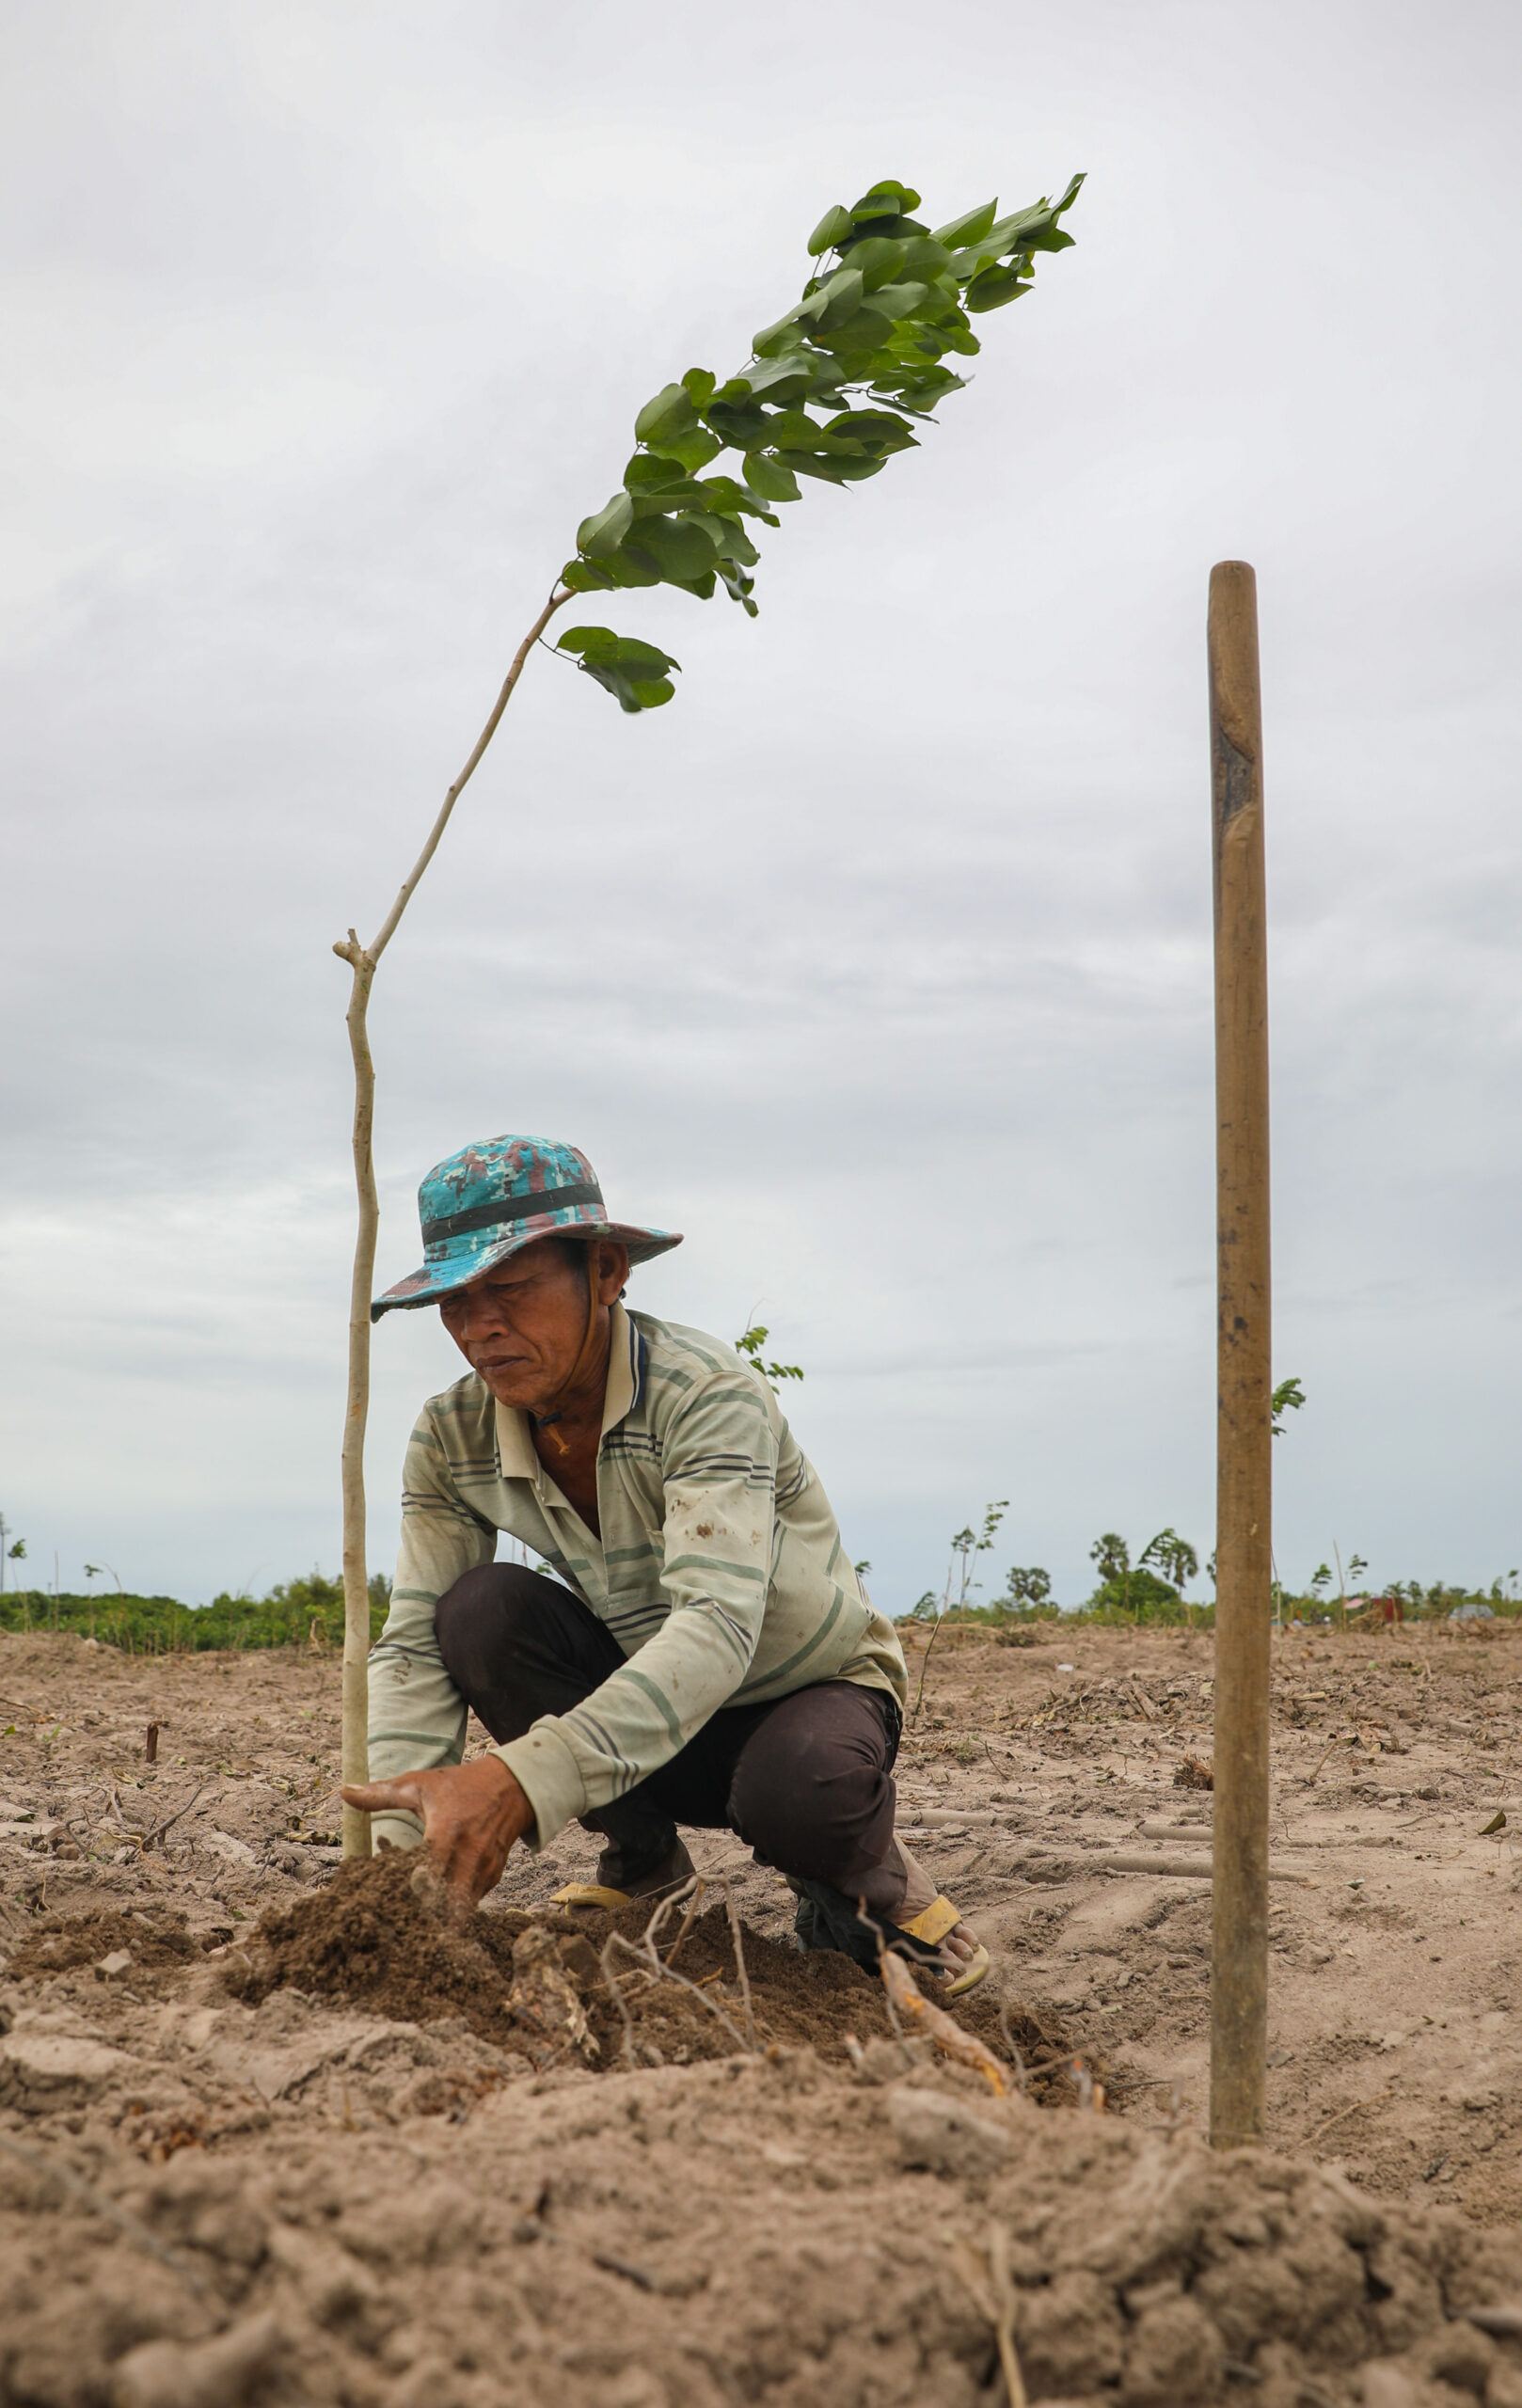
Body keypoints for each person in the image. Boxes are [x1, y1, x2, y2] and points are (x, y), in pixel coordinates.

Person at [341, 1133, 988, 1993]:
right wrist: (397, 1876)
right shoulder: (450, 1435)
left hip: (803, 1698)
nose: (479, 1326)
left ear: (606, 1273)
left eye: (510, 1289)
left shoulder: (703, 1392)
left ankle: (872, 1886)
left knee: (800, 1791)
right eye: (455, 1302)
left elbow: (716, 1628)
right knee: (478, 1610)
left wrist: (517, 1782)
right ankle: (644, 1861)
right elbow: (417, 1647)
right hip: (654, 1723)